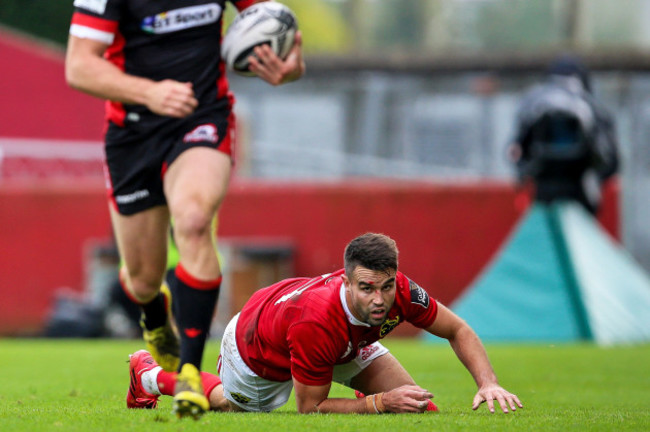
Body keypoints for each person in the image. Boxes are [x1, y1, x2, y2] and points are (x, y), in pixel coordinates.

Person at [65, 0, 305, 419]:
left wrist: (293, 63)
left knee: (194, 221)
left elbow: (272, 21)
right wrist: (149, 92)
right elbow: (79, 66)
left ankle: (190, 374)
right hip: (132, 134)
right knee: (142, 279)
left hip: (202, 116)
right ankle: (153, 314)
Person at [126, 233, 522, 415]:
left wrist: (488, 383)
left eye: (386, 287)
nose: (380, 299)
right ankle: (148, 374)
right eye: (367, 288)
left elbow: (458, 330)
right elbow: (309, 408)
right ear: (346, 281)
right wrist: (378, 404)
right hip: (257, 349)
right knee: (227, 406)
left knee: (421, 408)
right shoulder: (317, 323)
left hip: (334, 336)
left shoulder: (398, 289)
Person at [508, 54, 619, 215]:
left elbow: (516, 153)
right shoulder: (593, 108)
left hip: (559, 196)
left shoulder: (533, 106)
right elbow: (610, 163)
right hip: (573, 198)